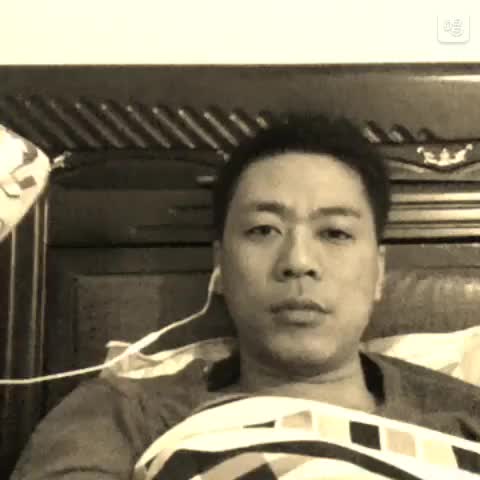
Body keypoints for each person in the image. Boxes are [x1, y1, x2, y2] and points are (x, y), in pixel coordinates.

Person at [11, 115, 480, 479]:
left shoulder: (464, 415)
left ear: (378, 272)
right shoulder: (123, 412)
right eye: (263, 230)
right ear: (221, 266)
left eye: (335, 232)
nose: (298, 261)